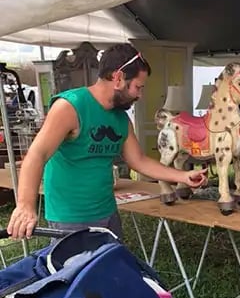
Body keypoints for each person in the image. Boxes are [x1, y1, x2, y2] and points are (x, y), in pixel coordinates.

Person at [7, 43, 207, 240]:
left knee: (109, 270)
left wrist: (183, 176)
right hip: (70, 218)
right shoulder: (70, 107)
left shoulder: (120, 118)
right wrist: (25, 205)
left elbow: (139, 161)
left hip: (107, 213)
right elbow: (37, 154)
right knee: (77, 273)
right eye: (138, 87)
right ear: (118, 78)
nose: (140, 94)